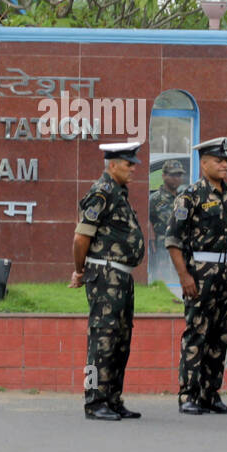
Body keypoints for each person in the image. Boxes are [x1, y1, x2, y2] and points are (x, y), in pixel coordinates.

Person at [165, 136, 227, 415]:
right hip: (200, 273)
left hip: (226, 273)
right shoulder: (190, 196)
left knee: (219, 335)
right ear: (204, 164)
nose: (224, 164)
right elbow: (173, 240)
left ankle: (210, 394)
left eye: (226, 160)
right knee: (197, 334)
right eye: (219, 160)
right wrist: (184, 276)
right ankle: (187, 395)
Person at [70, 141, 146, 421]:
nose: (133, 169)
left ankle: (113, 398)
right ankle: (94, 401)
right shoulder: (101, 192)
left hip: (121, 277)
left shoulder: (118, 192)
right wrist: (80, 271)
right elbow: (81, 237)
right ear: (112, 165)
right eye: (129, 164)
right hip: (105, 276)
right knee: (102, 338)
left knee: (120, 339)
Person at [148, 158, 187, 275]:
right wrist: (152, 244)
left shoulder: (184, 198)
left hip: (181, 248)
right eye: (173, 175)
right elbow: (147, 222)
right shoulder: (155, 199)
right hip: (161, 249)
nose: (177, 178)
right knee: (161, 282)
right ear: (164, 176)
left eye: (179, 175)